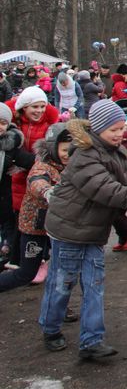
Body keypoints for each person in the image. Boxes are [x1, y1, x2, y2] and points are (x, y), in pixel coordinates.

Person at [40, 102, 127, 358]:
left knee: (94, 285)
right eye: (114, 129)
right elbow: (106, 190)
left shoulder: (116, 150)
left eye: (122, 128)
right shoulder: (84, 155)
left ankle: (91, 341)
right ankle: (50, 328)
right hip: (68, 230)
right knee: (61, 283)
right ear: (98, 129)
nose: (120, 133)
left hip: (94, 231)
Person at [0, 123, 68, 291]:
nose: (69, 154)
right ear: (53, 148)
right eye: (65, 150)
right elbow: (37, 181)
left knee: (64, 269)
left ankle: (56, 308)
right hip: (35, 228)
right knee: (26, 273)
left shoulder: (70, 165)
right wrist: (47, 191)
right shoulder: (42, 166)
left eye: (73, 150)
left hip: (57, 227)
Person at [4, 86, 59, 267]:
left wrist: (23, 162)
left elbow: (47, 154)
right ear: (24, 107)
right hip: (15, 180)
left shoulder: (47, 126)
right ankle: (17, 258)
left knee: (38, 219)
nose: (39, 111)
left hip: (37, 176)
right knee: (20, 218)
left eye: (42, 107)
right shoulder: (13, 126)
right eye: (35, 107)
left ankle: (40, 258)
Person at [0, 103, 36, 270]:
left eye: (2, 122)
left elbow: (30, 160)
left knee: (7, 228)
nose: (0, 127)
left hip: (4, 197)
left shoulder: (10, 145)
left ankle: (6, 256)